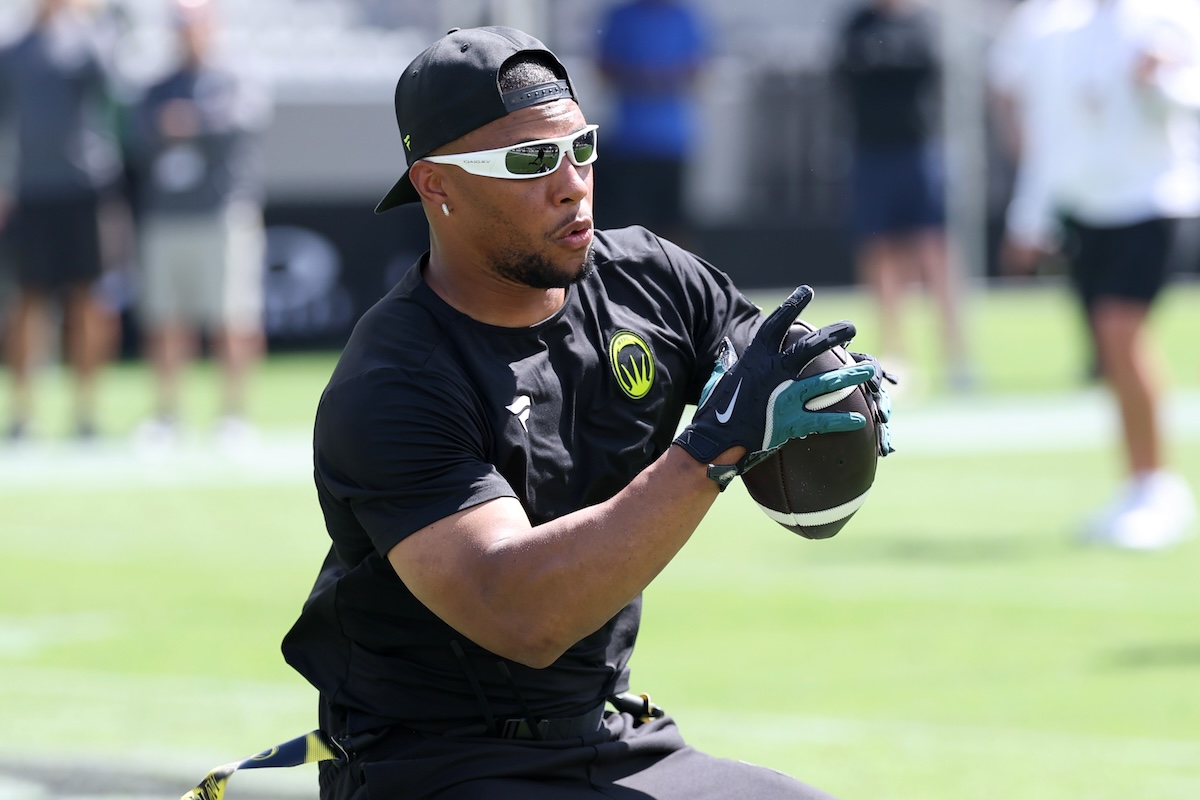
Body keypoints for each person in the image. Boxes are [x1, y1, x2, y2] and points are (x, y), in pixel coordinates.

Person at [272, 25, 892, 800]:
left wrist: (830, 396)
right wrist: (709, 452)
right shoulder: (394, 377)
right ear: (437, 187)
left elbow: (764, 364)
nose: (571, 183)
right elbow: (519, 613)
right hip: (437, 764)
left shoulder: (649, 279)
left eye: (581, 148)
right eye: (529, 161)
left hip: (608, 732)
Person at [989, 0, 1200, 549]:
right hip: (1085, 211)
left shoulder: (1170, 15)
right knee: (1109, 352)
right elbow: (1051, 132)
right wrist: (1028, 217)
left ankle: (1159, 488)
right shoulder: (1055, 25)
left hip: (1151, 203)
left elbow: (1187, 100)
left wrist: (1164, 78)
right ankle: (1137, 485)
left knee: (1120, 334)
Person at [129, 0, 271, 450]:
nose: (188, 34)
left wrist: (190, 123)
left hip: (221, 215)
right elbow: (135, 135)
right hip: (167, 217)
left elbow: (244, 123)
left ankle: (233, 416)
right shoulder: (158, 84)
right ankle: (167, 415)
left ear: (211, 26)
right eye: (180, 26)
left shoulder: (234, 76)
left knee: (233, 318)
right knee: (166, 319)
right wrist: (168, 127)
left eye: (195, 24)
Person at [0, 0, 124, 441]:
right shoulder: (12, 50)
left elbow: (114, 86)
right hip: (31, 191)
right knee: (27, 301)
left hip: (86, 188)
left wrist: (88, 21)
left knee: (91, 299)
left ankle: (86, 411)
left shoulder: (91, 38)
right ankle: (21, 412)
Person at [834, 0, 971, 393]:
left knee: (935, 249)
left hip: (917, 152)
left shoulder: (924, 24)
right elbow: (848, 76)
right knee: (879, 251)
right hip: (871, 155)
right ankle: (895, 354)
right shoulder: (856, 24)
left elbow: (926, 71)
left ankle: (956, 355)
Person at [595, 0, 708, 246]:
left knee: (673, 224)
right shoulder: (621, 17)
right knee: (628, 223)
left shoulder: (683, 17)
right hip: (629, 142)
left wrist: (662, 78)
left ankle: (676, 281)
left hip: (672, 142)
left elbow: (697, 69)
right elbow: (604, 67)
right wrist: (639, 77)